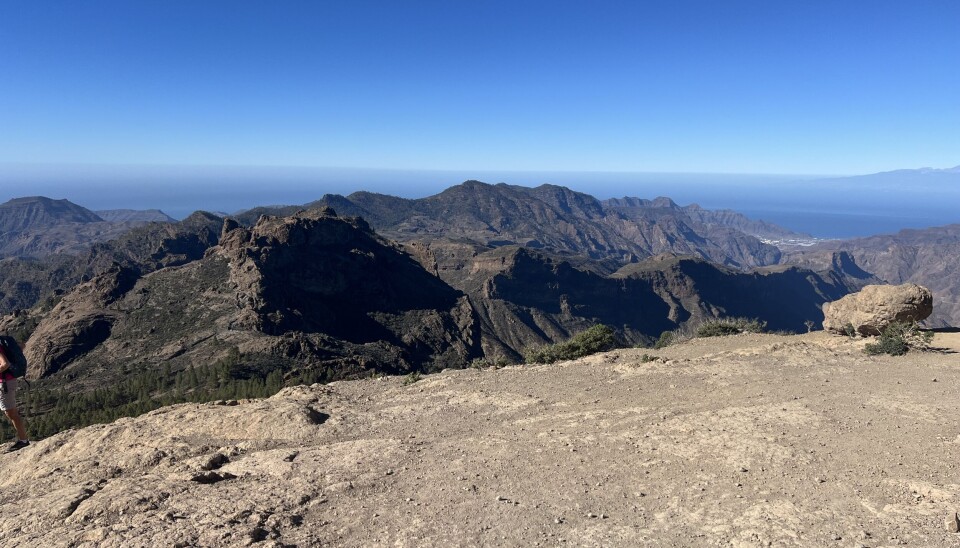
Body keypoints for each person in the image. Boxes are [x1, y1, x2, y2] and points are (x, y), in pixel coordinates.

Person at [0, 341, 29, 452]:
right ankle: (23, 440)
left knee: (11, 413)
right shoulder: (4, 341)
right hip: (9, 380)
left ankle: (23, 441)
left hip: (5, 383)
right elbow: (22, 345)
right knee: (11, 412)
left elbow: (5, 364)